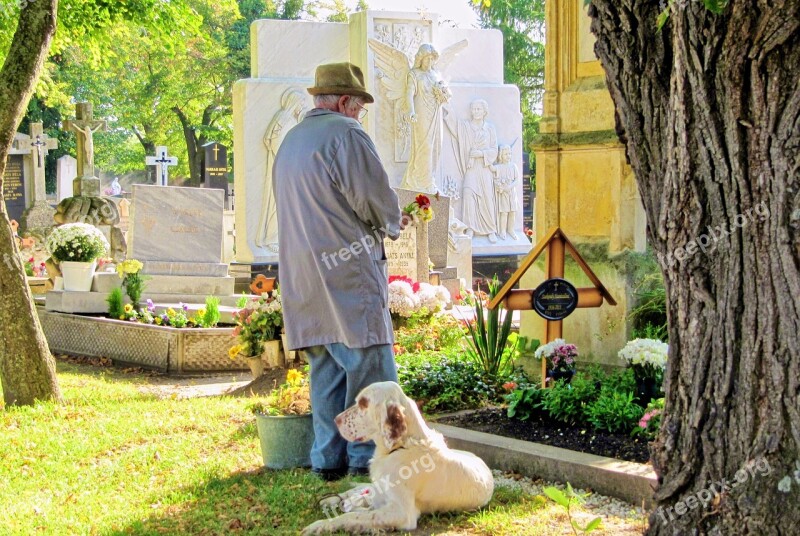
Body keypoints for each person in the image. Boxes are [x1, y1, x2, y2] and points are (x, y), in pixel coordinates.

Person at [273, 62, 406, 481]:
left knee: (326, 370)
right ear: (346, 101)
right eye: (360, 106)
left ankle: (327, 460)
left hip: (303, 275)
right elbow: (375, 200)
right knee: (371, 369)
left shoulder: (292, 140)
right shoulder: (347, 134)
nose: (360, 114)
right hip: (346, 272)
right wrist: (394, 222)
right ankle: (371, 462)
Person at [255, 87, 309, 253]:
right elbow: (277, 144)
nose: (302, 107)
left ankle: (283, 238)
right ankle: (272, 238)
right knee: (277, 205)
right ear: (294, 103)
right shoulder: (286, 120)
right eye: (301, 103)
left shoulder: (288, 119)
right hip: (284, 169)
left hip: (287, 168)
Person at [445, 99, 499, 242]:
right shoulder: (466, 127)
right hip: (471, 168)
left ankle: (490, 230)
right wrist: (447, 107)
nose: (475, 112)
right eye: (474, 109)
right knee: (468, 194)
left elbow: (494, 150)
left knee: (487, 197)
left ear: (484, 111)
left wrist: (481, 154)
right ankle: (470, 227)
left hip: (484, 168)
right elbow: (455, 127)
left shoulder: (489, 129)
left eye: (478, 109)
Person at [400, 44, 451, 193]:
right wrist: (411, 111)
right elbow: (409, 94)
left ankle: (430, 180)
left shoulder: (436, 75)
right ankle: (422, 183)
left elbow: (445, 93)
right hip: (421, 114)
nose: (429, 62)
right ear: (420, 58)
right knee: (425, 146)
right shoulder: (414, 74)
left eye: (431, 59)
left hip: (435, 114)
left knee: (436, 146)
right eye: (426, 58)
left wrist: (444, 93)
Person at [490, 145, 519, 240]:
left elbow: (517, 179)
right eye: (506, 154)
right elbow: (492, 168)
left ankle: (511, 229)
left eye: (510, 154)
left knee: (513, 212)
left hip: (512, 193)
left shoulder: (513, 166)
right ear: (501, 155)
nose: (508, 156)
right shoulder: (499, 167)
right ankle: (502, 231)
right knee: (504, 212)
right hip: (503, 194)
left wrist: (509, 187)